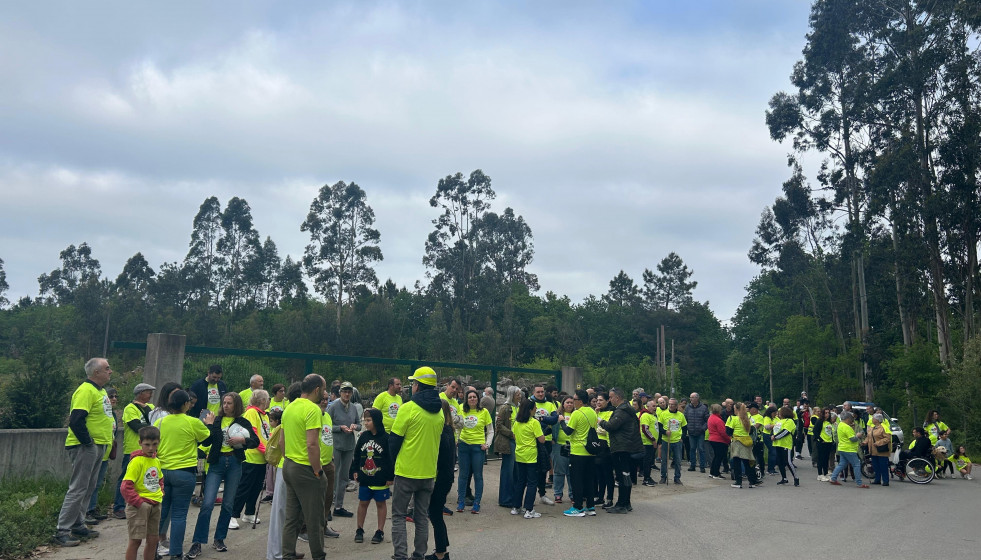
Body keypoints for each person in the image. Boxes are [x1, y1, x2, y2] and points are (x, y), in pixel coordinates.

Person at [188, 392, 259, 557]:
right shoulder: (216, 420)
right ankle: (197, 542)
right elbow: (206, 441)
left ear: (236, 405)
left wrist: (243, 440)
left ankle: (219, 539)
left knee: (228, 504)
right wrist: (209, 425)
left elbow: (255, 441)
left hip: (234, 462)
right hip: (217, 463)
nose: (225, 406)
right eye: (224, 402)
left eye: (229, 403)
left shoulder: (243, 422)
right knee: (207, 504)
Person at [53, 358, 114, 547]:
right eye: (107, 368)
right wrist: (88, 443)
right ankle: (62, 530)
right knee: (78, 487)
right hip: (85, 446)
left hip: (98, 445)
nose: (110, 371)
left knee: (89, 487)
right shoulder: (85, 390)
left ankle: (78, 524)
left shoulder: (100, 391)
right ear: (96, 372)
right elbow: (76, 420)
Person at [388, 367, 444, 560]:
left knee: (398, 516)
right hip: (428, 474)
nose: (411, 386)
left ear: (418, 386)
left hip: (406, 472)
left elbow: (394, 442)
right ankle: (419, 555)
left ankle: (400, 555)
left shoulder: (408, 408)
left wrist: (391, 466)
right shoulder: (439, 412)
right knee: (421, 517)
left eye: (413, 383)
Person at [155, 390, 213, 560]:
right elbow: (207, 439)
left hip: (162, 471)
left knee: (162, 513)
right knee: (179, 515)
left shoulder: (160, 422)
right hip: (184, 472)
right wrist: (209, 424)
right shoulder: (192, 422)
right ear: (186, 404)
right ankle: (176, 553)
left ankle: (153, 549)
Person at [281, 374, 329, 560]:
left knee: (292, 516)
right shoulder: (312, 409)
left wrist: (288, 458)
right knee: (315, 517)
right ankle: (318, 555)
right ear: (317, 389)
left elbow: (282, 441)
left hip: (289, 465)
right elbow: (312, 444)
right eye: (323, 389)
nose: (324, 393)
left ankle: (288, 553)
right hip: (305, 468)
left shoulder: (289, 407)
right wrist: (317, 470)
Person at [113, 383, 156, 520]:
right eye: (148, 392)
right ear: (140, 393)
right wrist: (152, 426)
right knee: (126, 478)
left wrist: (147, 409)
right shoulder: (130, 409)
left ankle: (143, 504)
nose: (151, 395)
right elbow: (138, 427)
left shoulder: (151, 407)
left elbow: (156, 421)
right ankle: (119, 507)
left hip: (150, 450)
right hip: (133, 449)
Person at [120, 426, 163, 560]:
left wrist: (161, 492)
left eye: (154, 444)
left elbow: (160, 479)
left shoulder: (156, 460)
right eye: (147, 444)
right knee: (136, 540)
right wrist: (139, 503)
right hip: (139, 505)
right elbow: (125, 487)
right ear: (140, 443)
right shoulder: (136, 462)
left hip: (155, 504)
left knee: (153, 540)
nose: (151, 448)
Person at [351, 408, 393, 545]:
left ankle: (380, 531)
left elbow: (390, 459)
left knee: (381, 503)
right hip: (365, 477)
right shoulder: (363, 436)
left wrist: (390, 476)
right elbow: (357, 454)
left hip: (381, 478)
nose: (366, 423)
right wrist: (355, 469)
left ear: (376, 421)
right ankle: (359, 529)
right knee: (363, 503)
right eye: (365, 420)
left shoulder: (386, 438)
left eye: (369, 420)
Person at [598, 387, 642, 513]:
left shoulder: (621, 411)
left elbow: (611, 426)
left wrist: (600, 421)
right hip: (627, 446)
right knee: (625, 475)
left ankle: (621, 504)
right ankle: (626, 502)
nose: (610, 400)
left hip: (621, 447)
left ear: (617, 398)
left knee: (622, 476)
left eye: (611, 397)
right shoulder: (627, 409)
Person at [231, 390, 271, 527]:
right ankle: (233, 514)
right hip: (251, 457)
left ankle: (249, 513)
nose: (269, 401)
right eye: (268, 399)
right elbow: (252, 434)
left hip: (262, 458)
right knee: (244, 487)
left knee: (256, 487)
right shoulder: (252, 413)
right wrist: (264, 450)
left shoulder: (264, 415)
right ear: (262, 400)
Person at [423, 400, 457, 560]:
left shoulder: (442, 431)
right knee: (436, 513)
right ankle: (442, 548)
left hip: (441, 478)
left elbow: (439, 457)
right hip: (446, 477)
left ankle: (441, 553)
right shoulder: (448, 429)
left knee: (435, 513)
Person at [327, 381, 363, 518]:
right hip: (336, 444)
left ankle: (339, 506)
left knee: (344, 476)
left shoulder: (353, 407)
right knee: (334, 476)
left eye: (349, 392)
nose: (347, 394)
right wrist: (340, 428)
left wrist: (354, 426)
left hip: (349, 445)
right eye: (344, 391)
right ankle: (327, 507)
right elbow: (327, 426)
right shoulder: (333, 406)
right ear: (340, 393)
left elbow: (359, 424)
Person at [560, 390, 597, 517]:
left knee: (577, 480)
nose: (573, 402)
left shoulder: (577, 413)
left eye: (575, 399)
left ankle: (578, 507)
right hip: (590, 451)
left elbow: (568, 431)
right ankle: (590, 506)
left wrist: (561, 421)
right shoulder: (592, 411)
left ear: (580, 401)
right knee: (589, 480)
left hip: (578, 451)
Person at [85, 386, 119, 523]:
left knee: (97, 483)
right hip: (95, 450)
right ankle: (85, 511)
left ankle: (92, 508)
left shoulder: (112, 415)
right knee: (88, 483)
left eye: (116, 396)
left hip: (105, 453)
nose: (114, 399)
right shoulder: (100, 413)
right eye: (111, 397)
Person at [456, 389, 493, 513]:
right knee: (463, 475)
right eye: (470, 397)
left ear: (478, 399)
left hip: (478, 447)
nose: (472, 399)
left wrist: (487, 444)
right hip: (464, 446)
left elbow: (490, 430)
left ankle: (477, 503)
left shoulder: (484, 412)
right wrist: (457, 439)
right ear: (466, 400)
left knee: (478, 475)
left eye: (474, 397)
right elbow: (457, 426)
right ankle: (461, 501)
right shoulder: (461, 409)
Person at [510, 398, 546, 519]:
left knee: (521, 481)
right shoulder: (534, 422)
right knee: (532, 482)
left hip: (519, 454)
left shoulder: (517, 422)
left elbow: (514, 436)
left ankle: (516, 506)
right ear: (530, 409)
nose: (536, 409)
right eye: (534, 407)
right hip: (531, 456)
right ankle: (529, 509)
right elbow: (542, 439)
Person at [495, 385, 521, 507]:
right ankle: (505, 499)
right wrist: (511, 434)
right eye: (517, 394)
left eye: (520, 394)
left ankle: (514, 496)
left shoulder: (519, 407)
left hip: (519, 442)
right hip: (509, 442)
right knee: (508, 471)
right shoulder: (505, 408)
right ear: (512, 395)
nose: (519, 396)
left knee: (516, 471)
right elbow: (499, 425)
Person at [725, 403, 761, 489]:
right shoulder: (747, 418)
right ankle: (752, 481)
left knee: (736, 461)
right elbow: (751, 430)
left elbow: (728, 431)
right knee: (747, 462)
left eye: (734, 408)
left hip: (737, 441)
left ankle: (738, 481)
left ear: (737, 409)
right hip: (747, 441)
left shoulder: (733, 418)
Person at [829, 411, 867, 488]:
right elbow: (852, 439)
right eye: (851, 419)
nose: (852, 421)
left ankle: (833, 478)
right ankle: (859, 483)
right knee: (856, 465)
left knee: (842, 464)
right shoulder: (847, 427)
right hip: (849, 449)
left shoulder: (840, 425)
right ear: (847, 419)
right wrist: (858, 435)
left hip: (842, 448)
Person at [659, 398, 687, 485]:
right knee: (664, 460)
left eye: (672, 404)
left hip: (677, 441)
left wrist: (682, 438)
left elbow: (684, 428)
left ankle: (677, 477)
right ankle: (663, 477)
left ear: (676, 406)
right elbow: (659, 427)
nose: (670, 406)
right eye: (669, 404)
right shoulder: (663, 414)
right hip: (666, 440)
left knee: (678, 460)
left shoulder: (681, 415)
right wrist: (665, 432)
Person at [552, 396, 575, 502]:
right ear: (563, 404)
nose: (569, 404)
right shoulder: (558, 415)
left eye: (571, 402)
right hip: (559, 445)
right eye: (567, 402)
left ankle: (572, 494)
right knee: (559, 471)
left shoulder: (576, 415)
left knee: (572, 472)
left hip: (573, 446)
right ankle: (558, 494)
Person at [772, 406, 798, 486]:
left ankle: (796, 478)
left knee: (788, 462)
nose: (778, 414)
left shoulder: (789, 421)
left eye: (779, 412)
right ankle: (784, 478)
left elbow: (786, 431)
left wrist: (775, 437)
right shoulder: (779, 421)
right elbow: (775, 430)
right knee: (780, 462)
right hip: (778, 444)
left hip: (786, 444)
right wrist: (772, 435)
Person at [683, 392, 709, 473]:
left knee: (701, 449)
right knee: (692, 449)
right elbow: (685, 419)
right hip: (691, 432)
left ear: (697, 398)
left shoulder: (703, 408)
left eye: (692, 397)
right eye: (690, 397)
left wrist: (703, 428)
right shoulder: (688, 407)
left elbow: (707, 420)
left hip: (700, 432)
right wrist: (687, 428)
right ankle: (692, 465)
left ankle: (702, 466)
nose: (690, 399)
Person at [864, 413, 891, 486]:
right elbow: (869, 437)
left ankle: (885, 481)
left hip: (882, 450)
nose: (872, 420)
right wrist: (865, 442)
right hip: (873, 451)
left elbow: (888, 438)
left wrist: (878, 443)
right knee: (875, 466)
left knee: (883, 466)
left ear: (877, 420)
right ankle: (877, 479)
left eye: (873, 418)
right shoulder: (872, 428)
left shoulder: (884, 428)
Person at [638, 400, 659, 486]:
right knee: (647, 461)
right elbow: (645, 429)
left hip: (652, 443)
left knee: (650, 461)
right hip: (647, 443)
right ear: (648, 406)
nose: (655, 408)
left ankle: (648, 477)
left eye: (655, 406)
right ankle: (646, 479)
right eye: (653, 406)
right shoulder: (645, 415)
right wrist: (653, 439)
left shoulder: (653, 415)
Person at [707, 404, 729, 479]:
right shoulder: (718, 420)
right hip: (719, 440)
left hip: (712, 438)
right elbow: (723, 432)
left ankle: (712, 472)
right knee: (719, 457)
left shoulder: (711, 418)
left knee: (716, 456)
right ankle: (716, 473)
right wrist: (728, 440)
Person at [813, 407, 835, 482]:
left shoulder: (829, 422)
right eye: (826, 413)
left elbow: (831, 432)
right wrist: (821, 440)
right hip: (822, 442)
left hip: (829, 442)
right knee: (821, 459)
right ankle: (820, 474)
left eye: (828, 413)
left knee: (826, 459)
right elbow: (815, 431)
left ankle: (825, 473)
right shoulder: (819, 421)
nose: (827, 414)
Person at [761, 406, 778, 475]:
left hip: (774, 435)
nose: (775, 414)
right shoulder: (767, 418)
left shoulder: (776, 418)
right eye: (774, 413)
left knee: (773, 452)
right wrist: (776, 425)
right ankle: (770, 469)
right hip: (767, 435)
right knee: (773, 451)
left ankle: (772, 467)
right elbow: (767, 427)